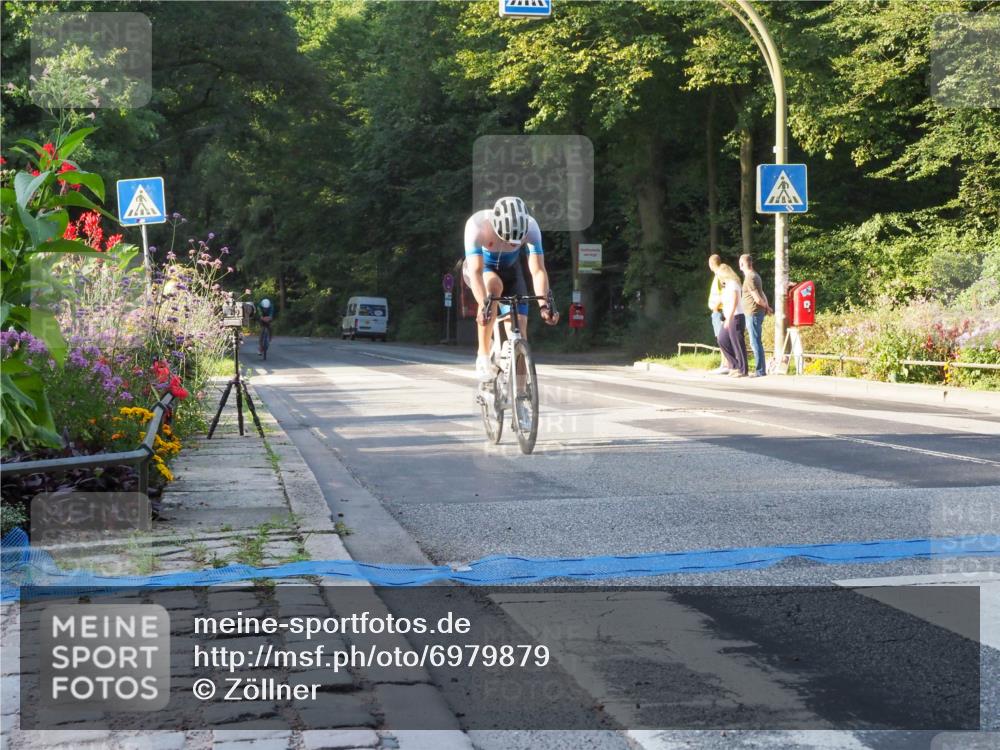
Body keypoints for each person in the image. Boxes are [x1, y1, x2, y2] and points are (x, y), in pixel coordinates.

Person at [463, 196, 559, 381]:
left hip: (511, 271)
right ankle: (483, 355)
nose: (513, 244)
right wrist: (484, 306)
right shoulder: (477, 225)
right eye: (507, 239)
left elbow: (538, 270)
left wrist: (544, 305)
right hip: (482, 269)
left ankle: (521, 391)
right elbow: (476, 272)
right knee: (494, 288)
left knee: (520, 332)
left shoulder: (531, 227)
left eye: (518, 241)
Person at [739, 254, 773, 377]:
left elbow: (758, 298)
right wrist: (767, 306)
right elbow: (762, 294)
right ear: (751, 263)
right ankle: (761, 370)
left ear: (742, 264)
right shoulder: (756, 276)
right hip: (757, 312)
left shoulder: (749, 278)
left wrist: (767, 307)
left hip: (753, 313)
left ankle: (760, 371)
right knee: (756, 341)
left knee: (755, 342)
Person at [714, 263, 748, 378]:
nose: (720, 279)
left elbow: (735, 301)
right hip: (729, 317)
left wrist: (729, 317)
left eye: (720, 276)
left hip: (736, 316)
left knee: (738, 343)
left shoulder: (733, 284)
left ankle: (743, 370)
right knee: (722, 339)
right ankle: (734, 365)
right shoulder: (727, 286)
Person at [707, 255, 734, 375]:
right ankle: (724, 364)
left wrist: (715, 307)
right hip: (718, 310)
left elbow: (724, 292)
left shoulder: (720, 276)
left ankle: (725, 364)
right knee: (721, 338)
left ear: (711, 264)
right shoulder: (718, 276)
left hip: (720, 311)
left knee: (721, 338)